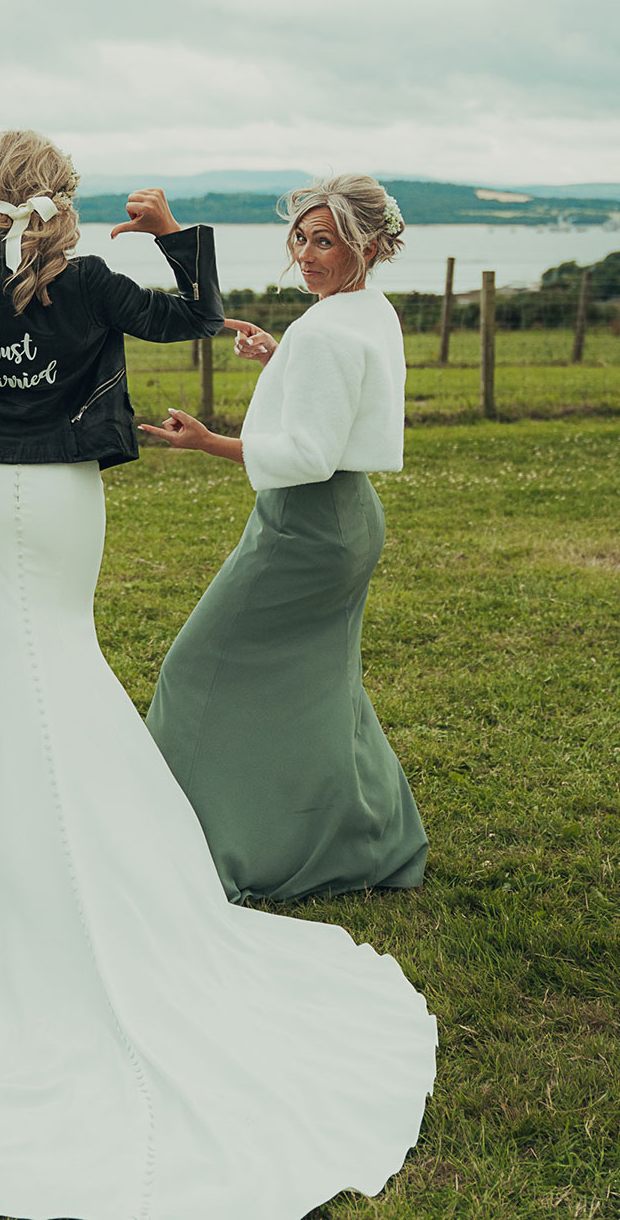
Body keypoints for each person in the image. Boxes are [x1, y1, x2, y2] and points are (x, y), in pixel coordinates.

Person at [0, 132, 436, 1220]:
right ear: (64, 203)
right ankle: (109, 860)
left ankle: (0, 879)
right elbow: (193, 317)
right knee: (59, 655)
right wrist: (175, 236)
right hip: (66, 494)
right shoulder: (87, 281)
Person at [142, 174, 429, 905]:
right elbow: (343, 399)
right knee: (321, 683)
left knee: (195, 669)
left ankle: (187, 843)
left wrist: (207, 442)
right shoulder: (368, 311)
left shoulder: (326, 330)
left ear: (368, 246)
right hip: (349, 517)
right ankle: (360, 837)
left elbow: (308, 454)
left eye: (324, 241)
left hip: (304, 526)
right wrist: (282, 357)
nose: (305, 254)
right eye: (300, 238)